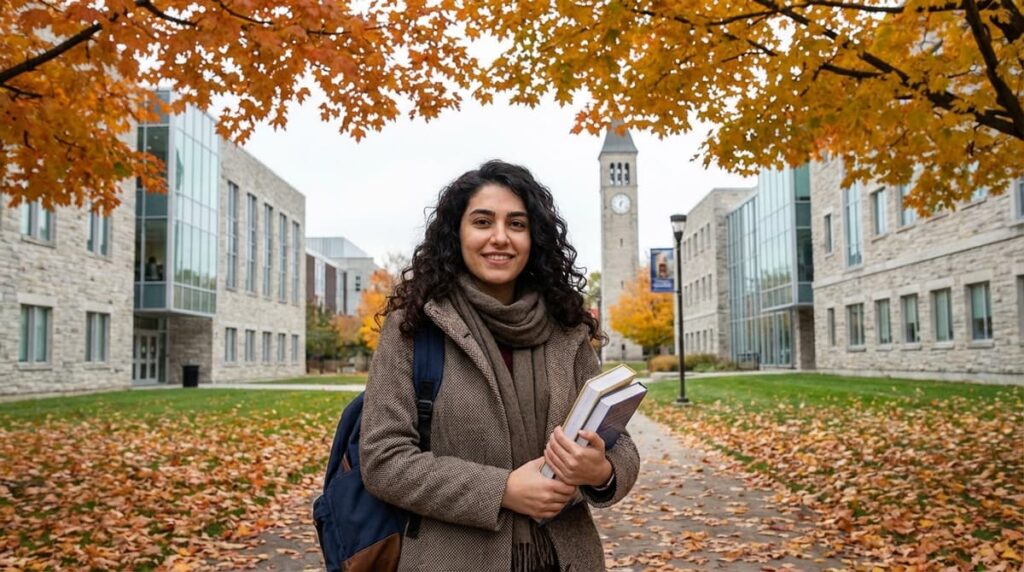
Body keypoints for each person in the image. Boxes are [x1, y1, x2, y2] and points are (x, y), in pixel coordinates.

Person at [360, 160, 640, 571]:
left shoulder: (567, 329)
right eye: (482, 221)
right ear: (457, 233)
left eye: (517, 224)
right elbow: (384, 460)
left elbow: (621, 445)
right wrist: (502, 489)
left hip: (565, 557)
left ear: (534, 238)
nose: (500, 238)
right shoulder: (415, 326)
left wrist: (601, 471)